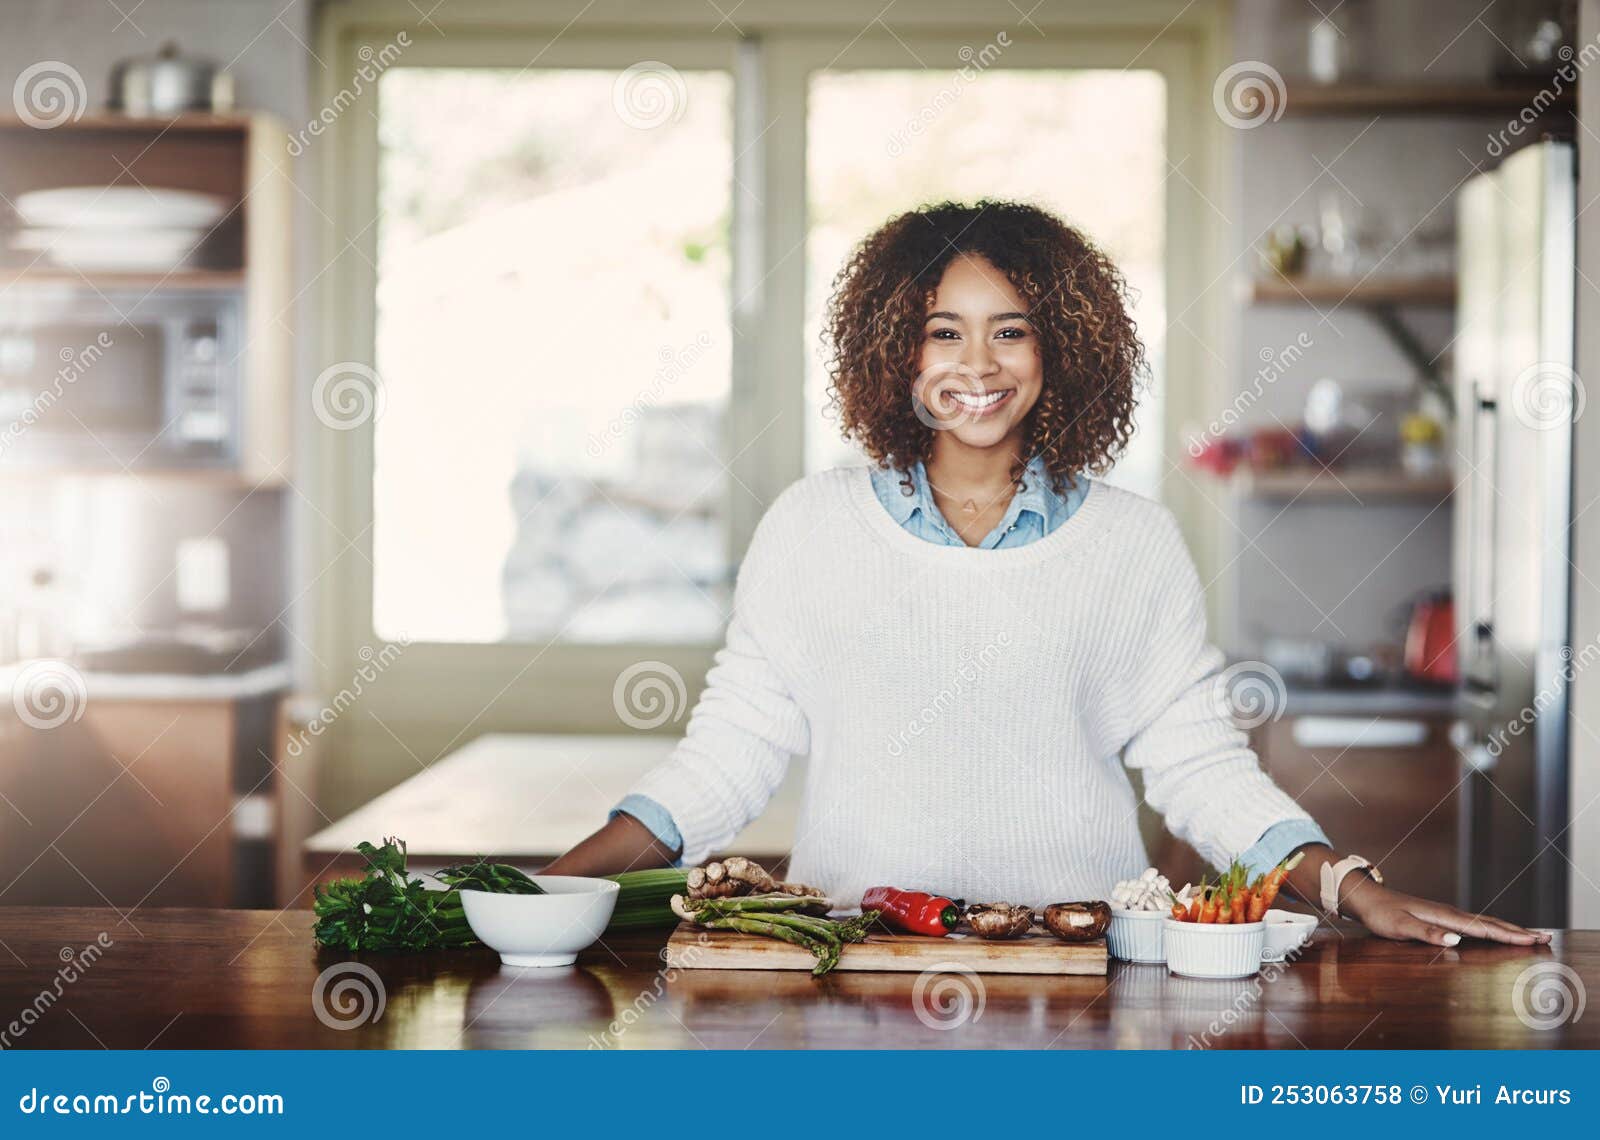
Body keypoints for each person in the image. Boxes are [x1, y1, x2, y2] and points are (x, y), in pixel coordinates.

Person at [546, 200, 1548, 948]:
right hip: (856, 965)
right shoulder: (810, 528)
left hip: (1081, 966)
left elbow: (1197, 765)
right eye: (943, 329)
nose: (976, 363)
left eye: (1010, 329)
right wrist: (544, 890)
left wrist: (1346, 884)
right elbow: (728, 756)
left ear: (1061, 347)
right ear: (892, 351)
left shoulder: (1131, 543)